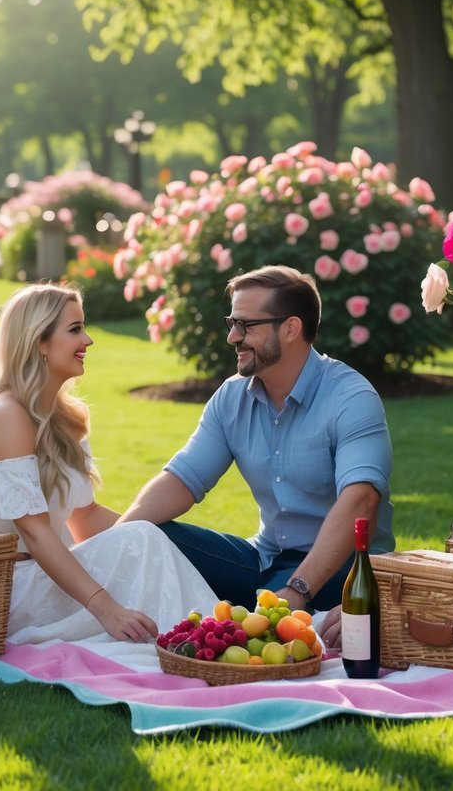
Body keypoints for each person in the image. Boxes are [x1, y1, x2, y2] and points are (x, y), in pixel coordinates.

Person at [120, 264, 394, 622]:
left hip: (344, 570)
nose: (233, 336)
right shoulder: (231, 397)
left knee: (262, 618)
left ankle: (270, 612)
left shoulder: (351, 397)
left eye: (246, 325)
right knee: (150, 536)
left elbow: (361, 500)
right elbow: (182, 480)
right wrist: (117, 540)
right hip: (263, 560)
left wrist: (297, 591)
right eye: (232, 323)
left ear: (291, 328)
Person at [0, 282, 218, 644]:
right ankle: (207, 638)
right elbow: (34, 532)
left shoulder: (68, 418)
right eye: (75, 329)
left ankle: (208, 634)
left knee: (147, 534)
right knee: (144, 539)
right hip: (15, 588)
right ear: (39, 342)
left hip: (57, 574)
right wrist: (106, 607)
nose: (88, 340)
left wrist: (158, 543)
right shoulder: (7, 415)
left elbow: (84, 516)